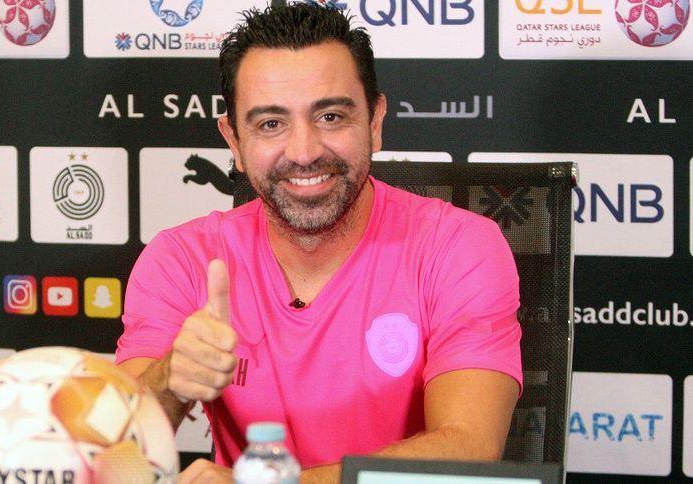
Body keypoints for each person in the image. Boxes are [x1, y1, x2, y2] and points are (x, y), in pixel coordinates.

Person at [115, 3, 522, 483]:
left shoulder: (458, 248)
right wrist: (170, 380)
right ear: (234, 141)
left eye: (330, 116)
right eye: (271, 124)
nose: (304, 152)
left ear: (374, 122)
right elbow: (114, 451)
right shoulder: (182, 260)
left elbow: (470, 448)